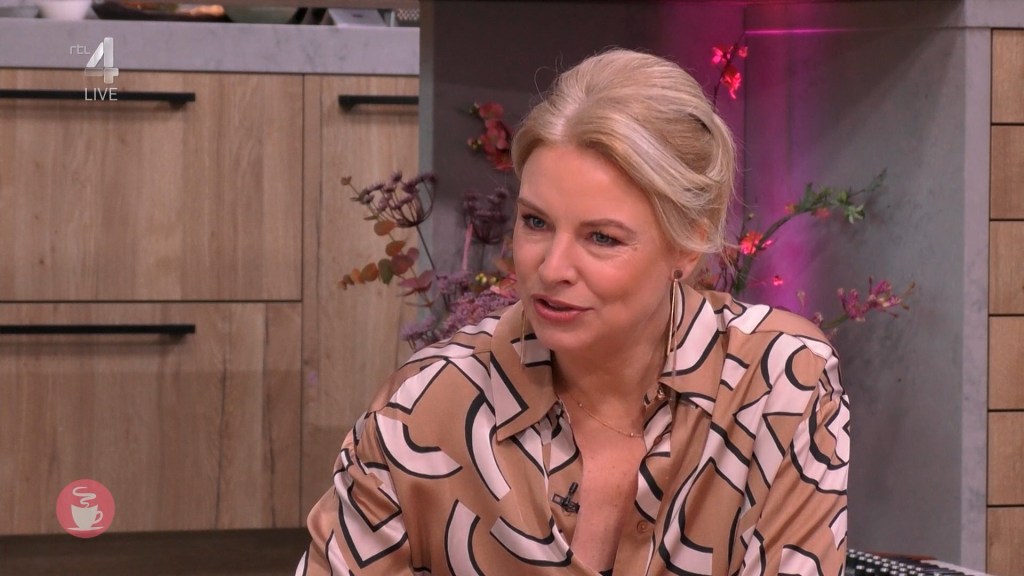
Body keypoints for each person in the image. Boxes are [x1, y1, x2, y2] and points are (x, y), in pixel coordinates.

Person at [297, 48, 849, 576]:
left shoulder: (781, 383)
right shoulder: (424, 406)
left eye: (602, 237)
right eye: (536, 222)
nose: (552, 267)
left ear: (687, 245)